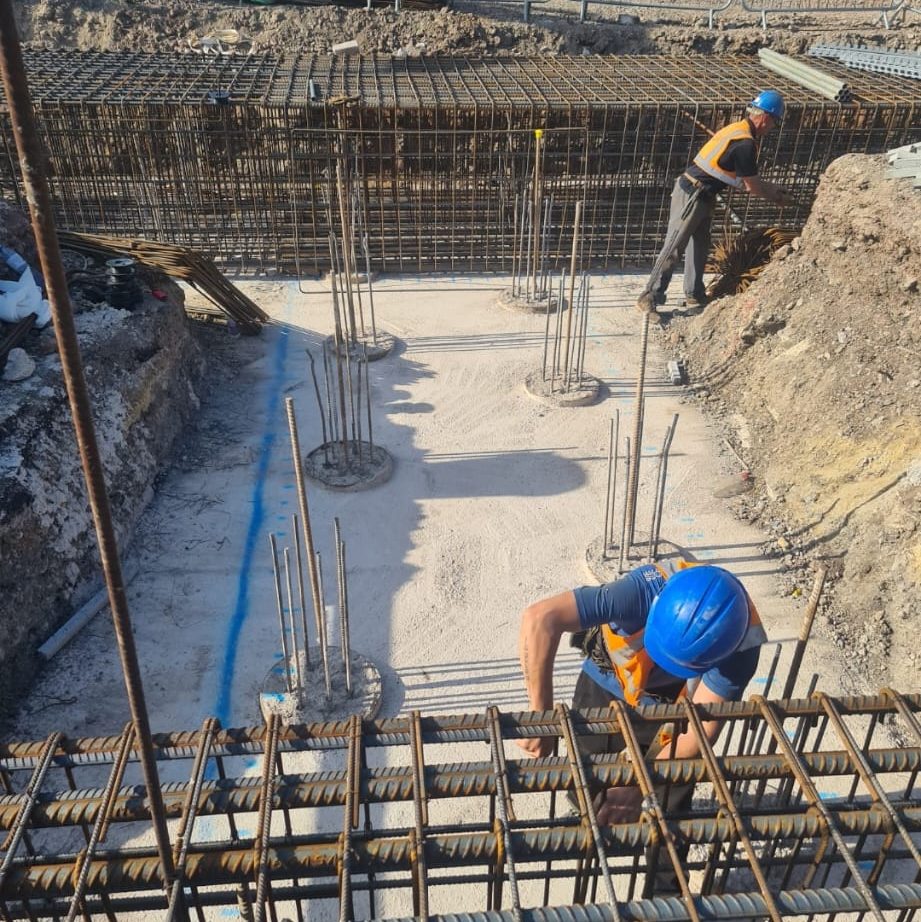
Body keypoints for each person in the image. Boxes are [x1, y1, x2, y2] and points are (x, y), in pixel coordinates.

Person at [516, 560, 766, 829]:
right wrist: (539, 718)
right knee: (587, 765)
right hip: (608, 679)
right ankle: (586, 816)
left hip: (673, 706)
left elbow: (698, 734)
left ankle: (665, 857)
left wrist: (638, 784)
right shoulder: (639, 592)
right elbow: (540, 618)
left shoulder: (741, 647)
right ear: (656, 607)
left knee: (674, 788)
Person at [637, 90, 792, 320]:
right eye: (774, 122)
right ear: (766, 118)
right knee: (675, 245)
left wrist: (772, 188)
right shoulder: (745, 143)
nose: (772, 128)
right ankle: (650, 296)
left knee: (699, 247)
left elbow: (745, 179)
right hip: (692, 193)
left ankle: (695, 296)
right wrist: (775, 197)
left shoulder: (739, 130)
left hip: (704, 193)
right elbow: (752, 187)